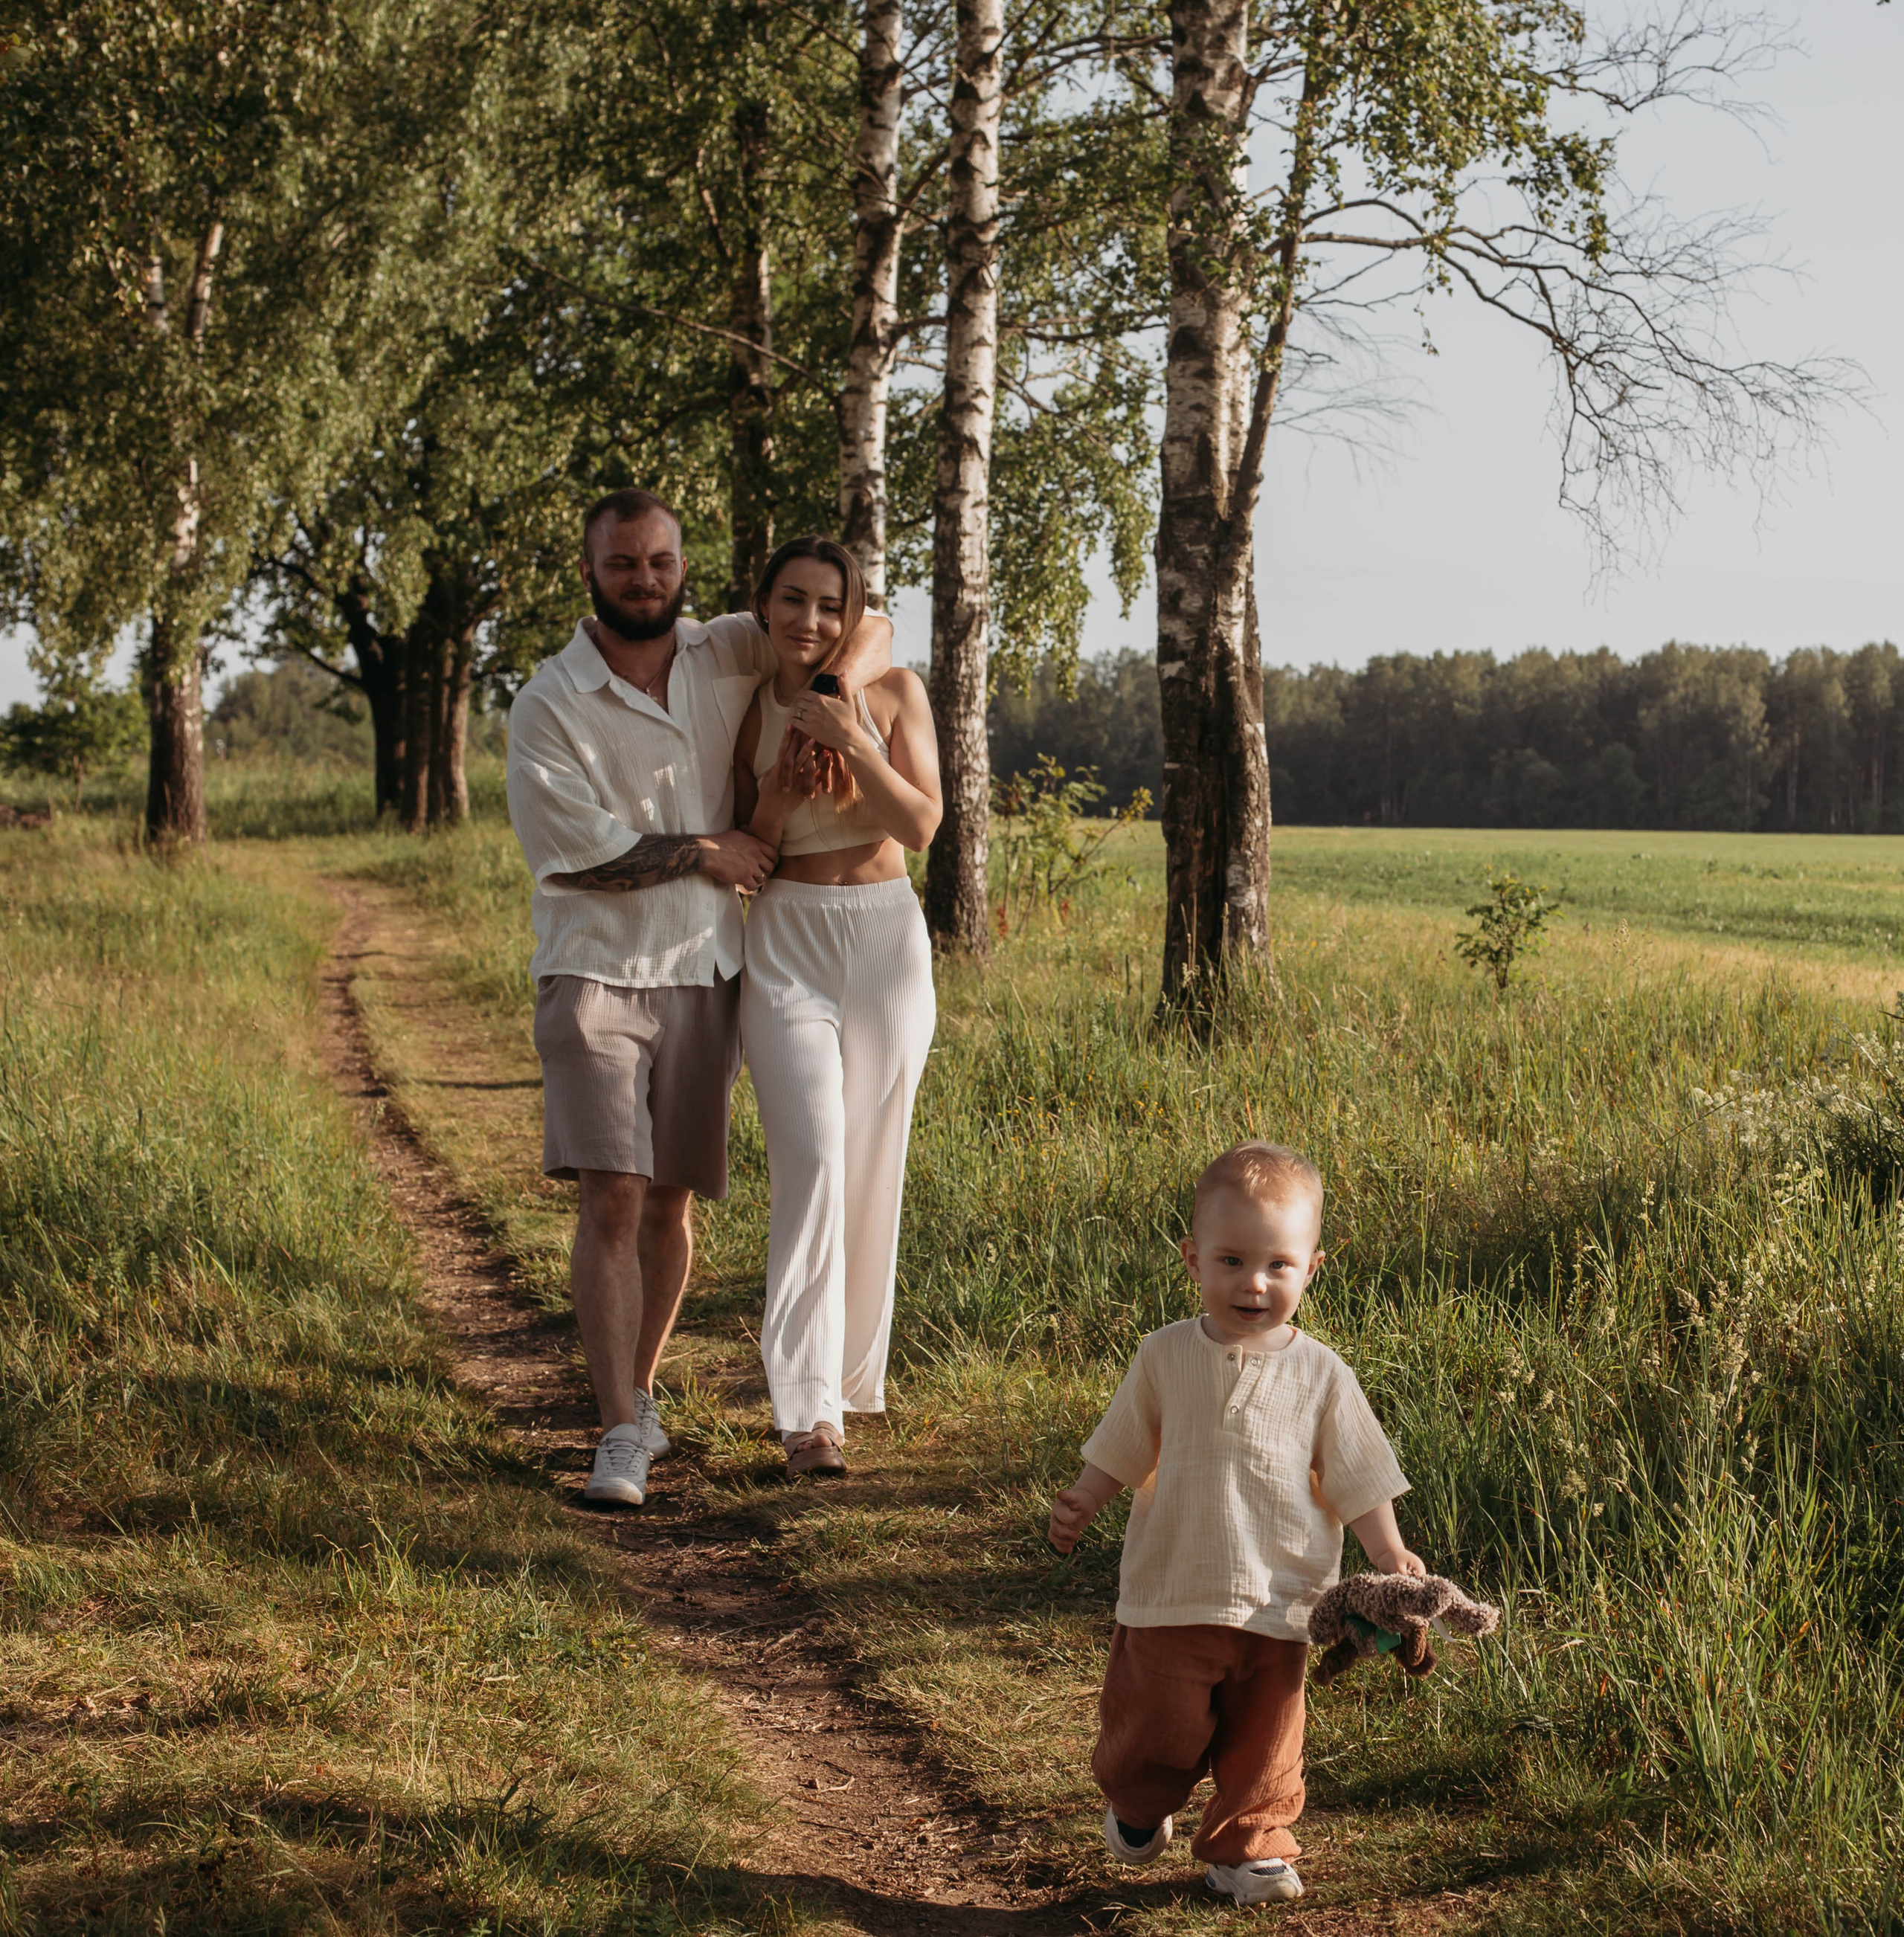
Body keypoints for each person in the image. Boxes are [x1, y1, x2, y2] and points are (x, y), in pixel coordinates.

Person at [505, 490, 890, 1509]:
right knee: (613, 1194)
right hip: (596, 969)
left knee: (670, 1200)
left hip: (708, 972)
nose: (644, 579)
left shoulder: (727, 648)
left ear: (684, 566)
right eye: (622, 563)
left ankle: (639, 1392)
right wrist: (708, 851)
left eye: (660, 562)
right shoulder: (549, 700)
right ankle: (617, 1431)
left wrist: (834, 690)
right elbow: (574, 853)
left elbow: (869, 622)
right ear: (589, 571)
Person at [1047, 1141, 1424, 1907]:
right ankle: (1138, 1800)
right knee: (1156, 1728)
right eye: (1231, 1261)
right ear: (1194, 1260)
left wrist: (1389, 1551)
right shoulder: (1164, 1355)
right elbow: (1124, 1440)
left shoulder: (1323, 1375)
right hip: (1172, 1592)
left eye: (1278, 1265)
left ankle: (1248, 1847)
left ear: (1311, 1268)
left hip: (1283, 1602)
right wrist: (1085, 1497)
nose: (1254, 1283)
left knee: (1266, 1743)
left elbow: (1357, 1475)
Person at [733, 535, 941, 1477]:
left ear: (853, 614)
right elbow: (754, 844)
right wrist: (781, 783)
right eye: (792, 600)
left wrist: (852, 736)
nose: (808, 621)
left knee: (872, 1161)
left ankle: (851, 1381)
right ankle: (805, 1411)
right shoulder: (748, 707)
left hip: (886, 937)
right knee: (813, 1160)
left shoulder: (893, 691)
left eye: (829, 605)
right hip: (787, 940)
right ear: (764, 605)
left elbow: (922, 824)